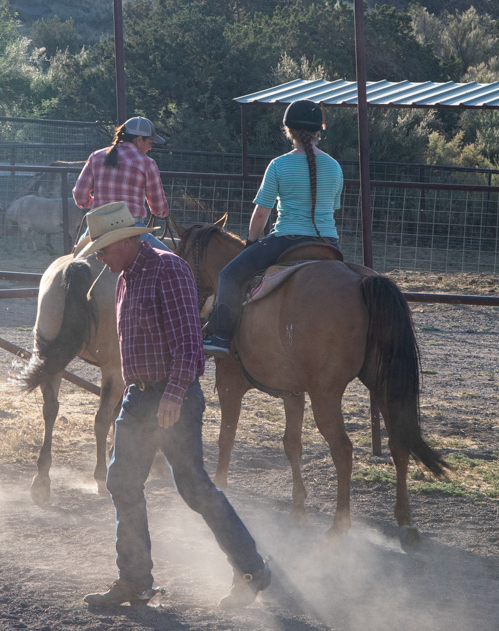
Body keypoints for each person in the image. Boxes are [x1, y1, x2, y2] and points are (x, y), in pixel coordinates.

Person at [77, 201, 270, 609]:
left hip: (170, 395)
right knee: (122, 482)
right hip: (139, 396)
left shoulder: (169, 269)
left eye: (104, 247)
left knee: (194, 488)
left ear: (127, 241)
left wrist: (174, 394)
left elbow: (189, 344)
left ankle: (252, 569)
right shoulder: (126, 275)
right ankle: (134, 581)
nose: (99, 256)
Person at [203, 99, 344, 358]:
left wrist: (251, 243)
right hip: (329, 244)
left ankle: (221, 337)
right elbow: (331, 212)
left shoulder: (279, 165)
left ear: (288, 131)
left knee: (229, 275)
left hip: (286, 240)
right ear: (317, 131)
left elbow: (261, 213)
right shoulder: (335, 167)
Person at [73, 116, 172, 252]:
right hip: (133, 230)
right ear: (139, 139)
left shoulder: (95, 156)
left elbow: (79, 195)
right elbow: (158, 206)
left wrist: (97, 204)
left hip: (98, 229)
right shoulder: (147, 163)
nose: (150, 147)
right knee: (173, 261)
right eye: (150, 142)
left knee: (75, 257)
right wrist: (163, 212)